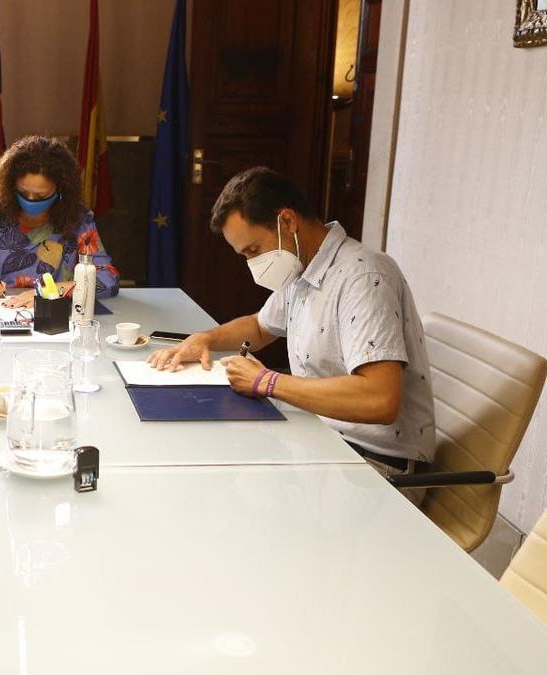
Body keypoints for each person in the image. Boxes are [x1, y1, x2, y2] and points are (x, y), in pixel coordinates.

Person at [148, 167, 435, 502]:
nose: (252, 264)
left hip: (374, 466)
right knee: (211, 476)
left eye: (254, 250)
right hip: (321, 440)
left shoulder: (363, 277)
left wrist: (268, 382)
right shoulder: (305, 270)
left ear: (287, 222)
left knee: (235, 506)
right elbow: (259, 326)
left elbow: (379, 399)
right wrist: (206, 339)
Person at [0, 135, 120, 308]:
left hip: (52, 324)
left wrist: (49, 292)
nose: (30, 200)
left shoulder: (78, 219)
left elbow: (108, 279)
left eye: (41, 196)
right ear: (9, 185)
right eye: (23, 193)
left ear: (60, 191)